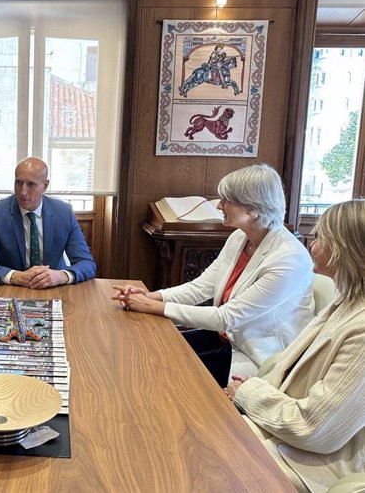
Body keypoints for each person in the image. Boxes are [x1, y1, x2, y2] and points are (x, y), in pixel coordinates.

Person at [112, 164, 314, 386]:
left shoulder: (289, 258)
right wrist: (153, 297)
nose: (219, 205)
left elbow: (226, 317)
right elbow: (201, 287)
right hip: (226, 339)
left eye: (228, 200)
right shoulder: (240, 237)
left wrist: (153, 307)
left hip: (259, 356)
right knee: (147, 352)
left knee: (161, 373)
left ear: (253, 209)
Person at [224, 199, 365, 492]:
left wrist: (248, 393)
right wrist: (251, 391)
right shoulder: (346, 301)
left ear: (345, 250)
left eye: (322, 237)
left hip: (308, 464)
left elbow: (315, 430)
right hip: (277, 435)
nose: (313, 243)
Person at [0, 157, 96, 289]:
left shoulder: (63, 212)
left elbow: (86, 263)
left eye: (31, 184)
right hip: (11, 289)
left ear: (45, 186)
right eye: (18, 183)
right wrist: (16, 276)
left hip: (54, 288)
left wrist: (62, 276)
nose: (23, 192)